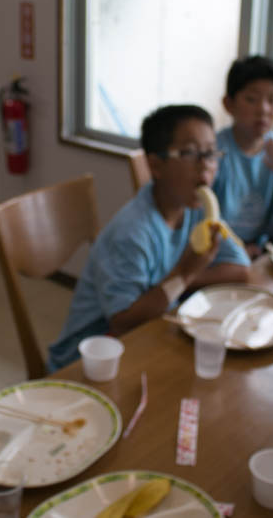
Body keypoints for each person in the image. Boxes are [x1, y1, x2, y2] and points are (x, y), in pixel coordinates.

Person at [47, 105, 251, 371]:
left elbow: (241, 269)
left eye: (211, 153)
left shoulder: (194, 210)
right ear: (155, 165)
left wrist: (179, 281)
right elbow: (122, 321)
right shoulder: (131, 233)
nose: (205, 165)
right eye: (189, 153)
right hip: (89, 361)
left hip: (153, 332)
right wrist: (183, 275)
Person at [212, 55, 273, 258]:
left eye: (272, 100)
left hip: (259, 251)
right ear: (228, 104)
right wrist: (238, 251)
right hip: (215, 253)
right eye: (251, 99)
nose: (263, 109)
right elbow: (195, 221)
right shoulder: (214, 151)